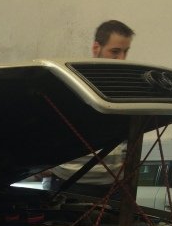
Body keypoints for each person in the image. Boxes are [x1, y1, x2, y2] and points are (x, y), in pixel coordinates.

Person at [48, 20, 135, 193]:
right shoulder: (71, 82)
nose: (121, 58)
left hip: (111, 186)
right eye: (115, 51)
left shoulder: (126, 88)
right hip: (68, 183)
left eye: (125, 51)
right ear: (96, 48)